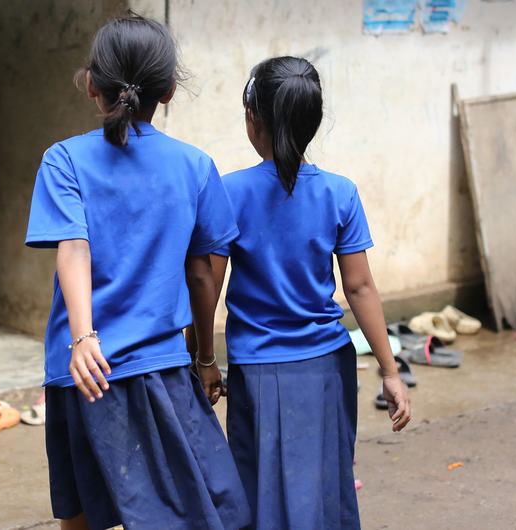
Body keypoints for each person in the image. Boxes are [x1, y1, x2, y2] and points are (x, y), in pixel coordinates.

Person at [24, 13, 250, 530]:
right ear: (168, 90)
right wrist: (205, 357)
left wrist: (83, 339)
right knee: (204, 509)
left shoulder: (63, 160)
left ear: (93, 87)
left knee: (80, 515)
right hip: (160, 370)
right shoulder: (194, 166)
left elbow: (73, 248)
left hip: (80, 373)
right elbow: (204, 273)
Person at [210, 56, 412, 529]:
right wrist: (390, 369)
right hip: (326, 366)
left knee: (259, 490)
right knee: (323, 487)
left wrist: (200, 358)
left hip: (258, 367)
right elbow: (359, 287)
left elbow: (208, 283)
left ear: (253, 120)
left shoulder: (229, 192)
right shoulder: (340, 193)